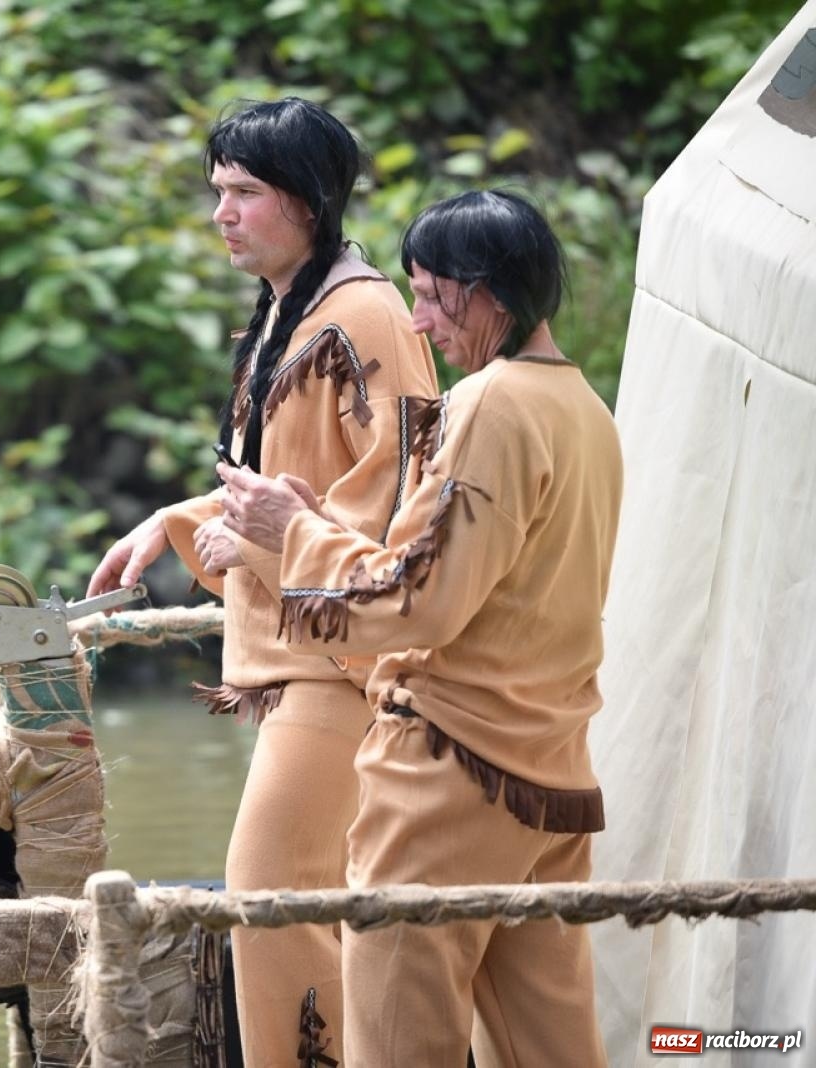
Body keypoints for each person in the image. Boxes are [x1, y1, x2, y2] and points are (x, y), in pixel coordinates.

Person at [219, 189, 620, 1066]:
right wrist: (306, 528)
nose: (418, 319)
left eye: (434, 295)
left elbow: (421, 600)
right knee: (552, 1047)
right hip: (550, 778)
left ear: (487, 293)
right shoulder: (588, 411)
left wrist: (294, 535)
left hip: (449, 776)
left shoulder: (491, 402)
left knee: (399, 1042)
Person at [88, 98, 437, 1066]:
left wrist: (269, 544)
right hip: (297, 657)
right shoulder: (294, 310)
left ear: (309, 201)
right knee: (292, 903)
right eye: (217, 192)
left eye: (243, 192)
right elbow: (285, 484)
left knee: (272, 898)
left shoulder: (363, 314)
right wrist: (173, 521)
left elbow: (404, 492)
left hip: (341, 661)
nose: (222, 214)